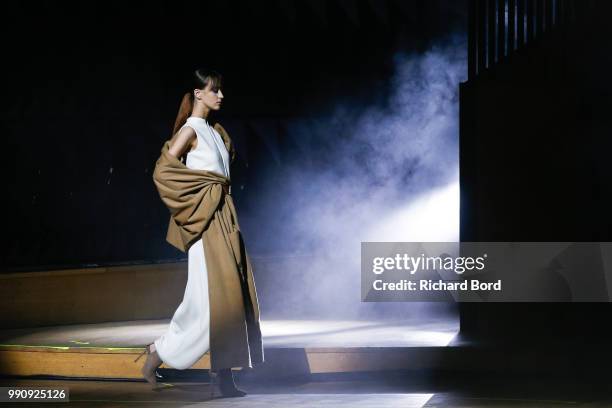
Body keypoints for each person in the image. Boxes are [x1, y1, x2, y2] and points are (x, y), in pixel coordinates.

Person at [136, 68, 264, 396]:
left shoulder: (215, 131)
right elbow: (163, 171)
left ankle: (221, 377)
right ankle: (159, 352)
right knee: (207, 302)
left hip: (225, 219)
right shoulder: (191, 130)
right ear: (197, 93)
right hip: (206, 223)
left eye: (220, 91)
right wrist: (202, 196)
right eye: (214, 90)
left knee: (229, 301)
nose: (220, 96)